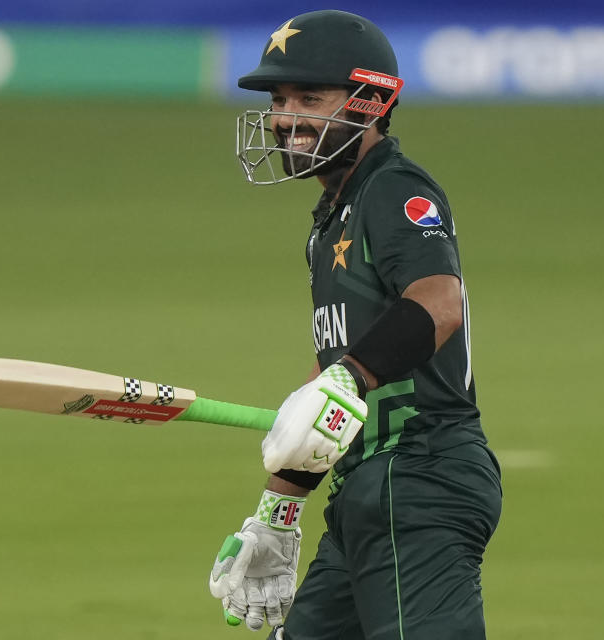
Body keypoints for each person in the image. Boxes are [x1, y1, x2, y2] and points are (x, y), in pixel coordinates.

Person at [208, 10, 502, 640]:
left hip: (419, 476)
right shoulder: (331, 219)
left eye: (309, 98)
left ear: (369, 104)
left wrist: (349, 376)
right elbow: (330, 388)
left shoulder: (394, 189)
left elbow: (438, 303)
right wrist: (280, 507)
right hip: (367, 486)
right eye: (280, 99)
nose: (286, 117)